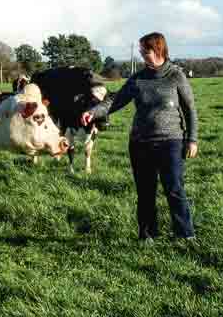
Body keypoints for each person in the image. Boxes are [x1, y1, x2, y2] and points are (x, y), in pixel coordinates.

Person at [81, 32, 198, 240]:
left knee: (174, 189)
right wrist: (93, 112)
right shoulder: (138, 79)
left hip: (170, 142)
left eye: (146, 50)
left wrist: (192, 139)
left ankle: (185, 234)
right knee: (145, 193)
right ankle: (147, 235)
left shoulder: (175, 76)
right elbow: (115, 101)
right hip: (140, 143)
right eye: (142, 50)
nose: (142, 53)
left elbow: (190, 109)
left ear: (159, 49)